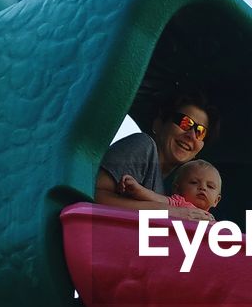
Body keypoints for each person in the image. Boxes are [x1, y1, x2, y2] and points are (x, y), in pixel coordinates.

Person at [94, 91, 219, 222]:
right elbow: (95, 196)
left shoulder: (165, 192)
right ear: (158, 124)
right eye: (185, 123)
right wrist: (170, 212)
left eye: (200, 132)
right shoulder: (142, 145)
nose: (191, 135)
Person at [121, 158, 222, 214]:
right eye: (194, 182)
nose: (203, 187)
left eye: (210, 186)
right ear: (177, 189)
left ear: (216, 201)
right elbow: (157, 199)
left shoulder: (212, 221)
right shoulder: (178, 203)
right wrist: (138, 189)